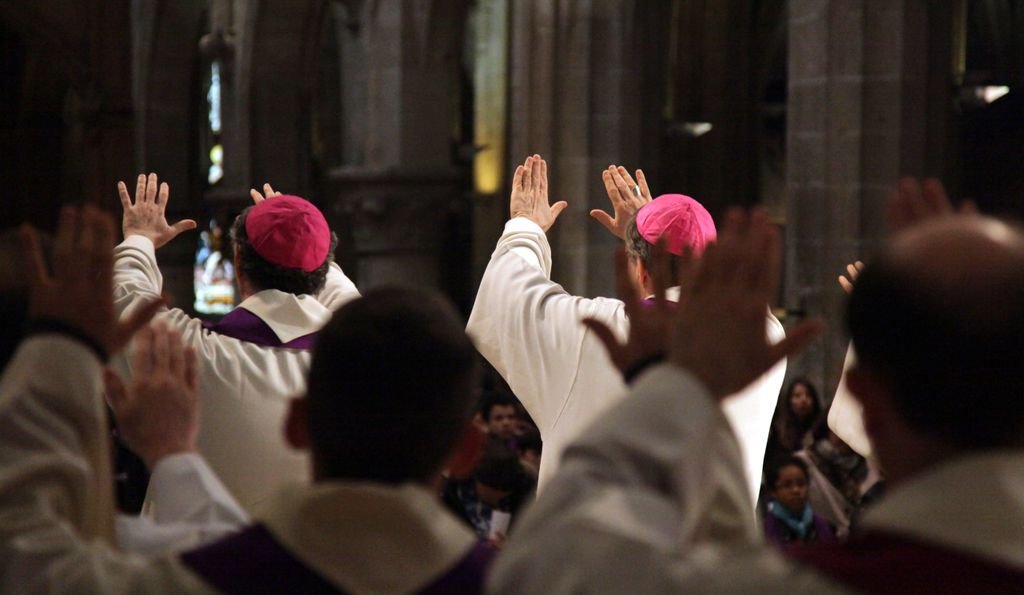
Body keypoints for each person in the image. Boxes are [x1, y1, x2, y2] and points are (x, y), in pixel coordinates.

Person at [490, 189, 1024, 592]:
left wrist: (525, 229)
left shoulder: (830, 583)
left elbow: (510, 300)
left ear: (873, 402)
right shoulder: (760, 333)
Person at [0, 205, 493, 593]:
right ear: (466, 449)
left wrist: (130, 251)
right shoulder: (525, 579)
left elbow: (26, 557)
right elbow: (356, 312)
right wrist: (309, 245)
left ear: (298, 425)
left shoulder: (205, 574)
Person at [468, 155, 786, 505]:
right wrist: (652, 228)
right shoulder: (761, 342)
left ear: (642, 272)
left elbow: (508, 296)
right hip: (708, 557)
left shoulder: (589, 334)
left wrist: (525, 226)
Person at [113, 176, 360, 512]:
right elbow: (343, 296)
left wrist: (140, 238)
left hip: (205, 561)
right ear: (321, 268)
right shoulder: (363, 363)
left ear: (238, 264)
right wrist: (298, 235)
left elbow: (122, 301)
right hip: (323, 561)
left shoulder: (190, 356)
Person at [0, 224, 248, 558]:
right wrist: (171, 448)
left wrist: (138, 241)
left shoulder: (34, 548)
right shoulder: (115, 567)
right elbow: (236, 559)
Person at [762, 457, 835, 546]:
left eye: (801, 484)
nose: (796, 490)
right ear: (772, 492)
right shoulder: (766, 529)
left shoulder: (821, 525)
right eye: (787, 485)